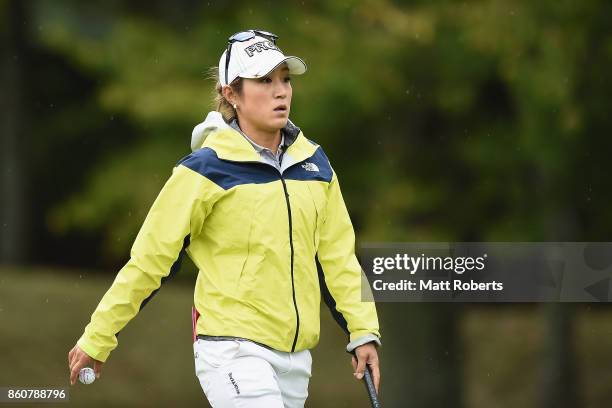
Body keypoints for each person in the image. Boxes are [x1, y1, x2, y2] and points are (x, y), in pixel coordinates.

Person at [68, 29, 381, 407]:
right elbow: (149, 262)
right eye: (264, 80)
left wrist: (363, 331)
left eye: (284, 79)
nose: (280, 91)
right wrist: (98, 336)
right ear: (231, 94)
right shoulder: (205, 170)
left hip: (296, 357)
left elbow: (339, 259)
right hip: (231, 347)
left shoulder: (315, 163)